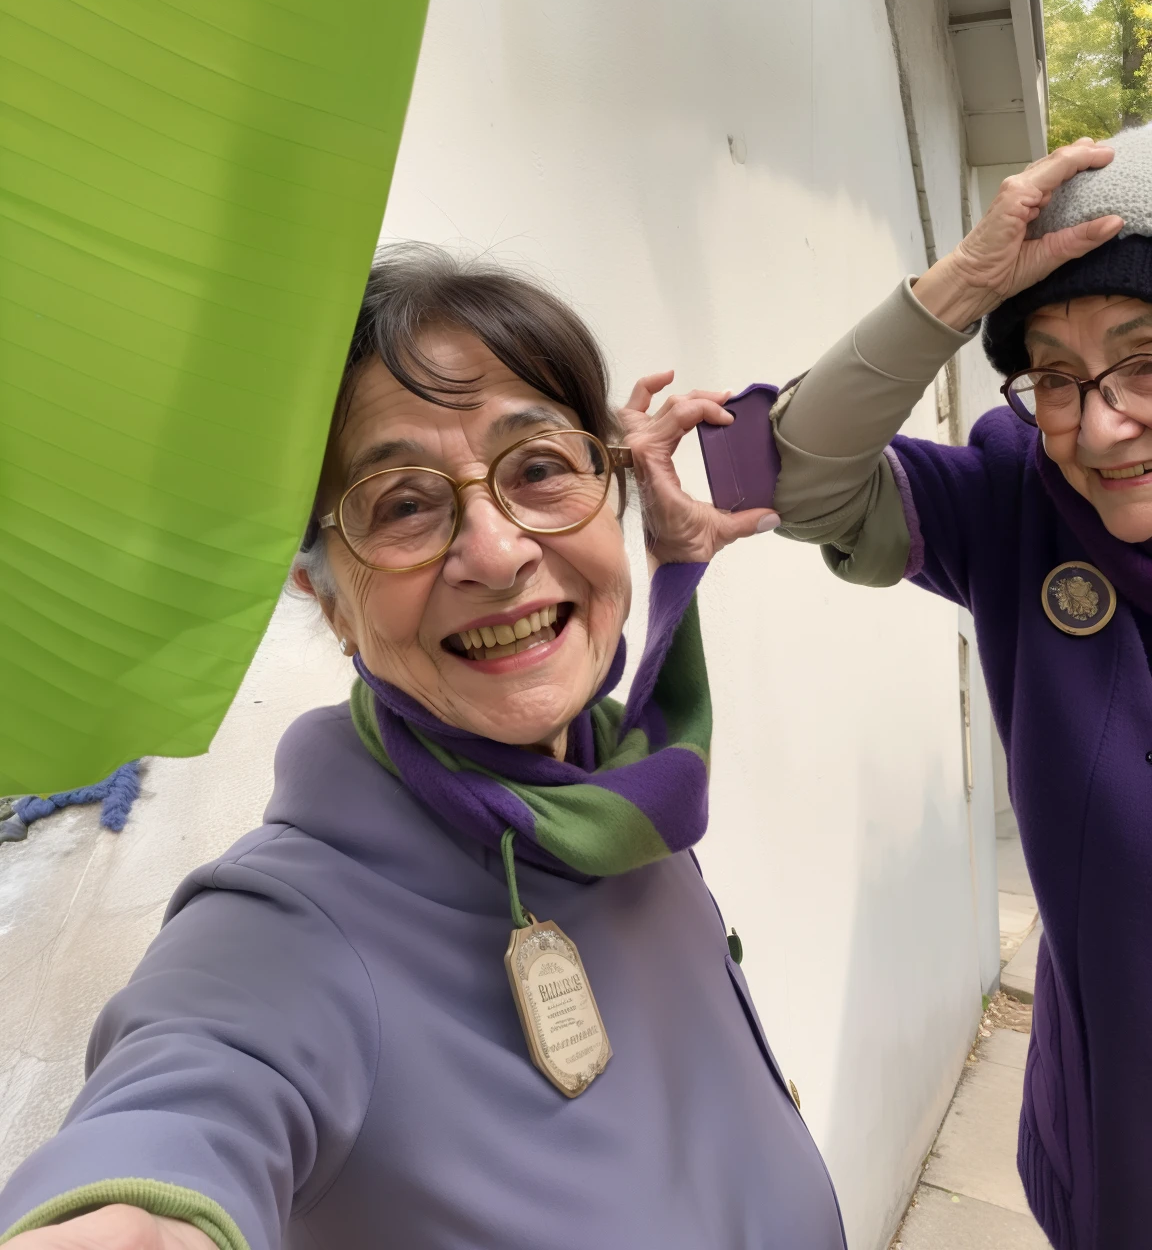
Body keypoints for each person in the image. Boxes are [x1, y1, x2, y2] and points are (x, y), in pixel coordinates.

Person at [0, 244, 844, 1250]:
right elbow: (179, 1122)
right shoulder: (289, 930)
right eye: (402, 505)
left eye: (539, 469)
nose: (496, 552)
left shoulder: (621, 781)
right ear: (325, 594)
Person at [683, 133, 1141, 1250]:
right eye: (1059, 379)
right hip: (1122, 1156)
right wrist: (956, 291)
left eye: (1146, 360)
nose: (1103, 423)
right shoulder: (1016, 499)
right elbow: (777, 476)